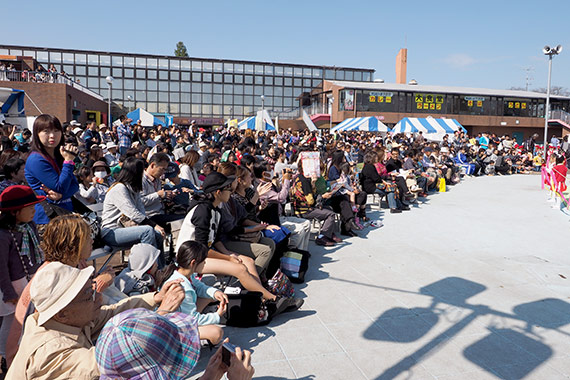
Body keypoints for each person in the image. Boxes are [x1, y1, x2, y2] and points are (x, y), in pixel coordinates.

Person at [5, 262, 186, 380]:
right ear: (61, 313)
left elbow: (112, 313)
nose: (98, 298)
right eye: (88, 294)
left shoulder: (67, 321)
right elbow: (112, 360)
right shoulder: (50, 354)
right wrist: (161, 314)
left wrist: (155, 298)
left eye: (92, 288)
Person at [0, 186, 45, 365]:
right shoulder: (3, 236)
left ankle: (22, 350)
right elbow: (1, 267)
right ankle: (4, 354)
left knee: (29, 317)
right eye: (30, 207)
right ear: (14, 212)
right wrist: (9, 292)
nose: (34, 210)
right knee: (12, 321)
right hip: (13, 284)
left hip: (30, 278)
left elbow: (36, 253)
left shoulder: (30, 226)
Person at [158, 240, 228, 345]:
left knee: (209, 296)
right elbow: (192, 319)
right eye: (203, 262)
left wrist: (215, 292)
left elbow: (199, 286)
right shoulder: (182, 287)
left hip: (181, 316)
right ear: (193, 263)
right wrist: (217, 315)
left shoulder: (181, 271)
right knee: (216, 333)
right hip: (176, 327)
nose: (204, 265)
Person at [24, 114, 79, 227]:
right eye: (46, 131)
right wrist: (68, 161)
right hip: (47, 219)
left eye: (56, 130)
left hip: (65, 214)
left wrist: (61, 196)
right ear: (37, 134)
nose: (52, 135)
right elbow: (60, 187)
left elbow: (75, 185)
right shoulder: (36, 159)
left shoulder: (59, 155)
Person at [101, 157, 165, 253]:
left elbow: (141, 209)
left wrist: (154, 227)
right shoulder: (119, 188)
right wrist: (154, 225)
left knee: (157, 234)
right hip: (111, 232)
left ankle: (159, 267)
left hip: (126, 229)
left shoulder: (133, 188)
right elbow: (133, 213)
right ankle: (146, 265)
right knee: (147, 231)